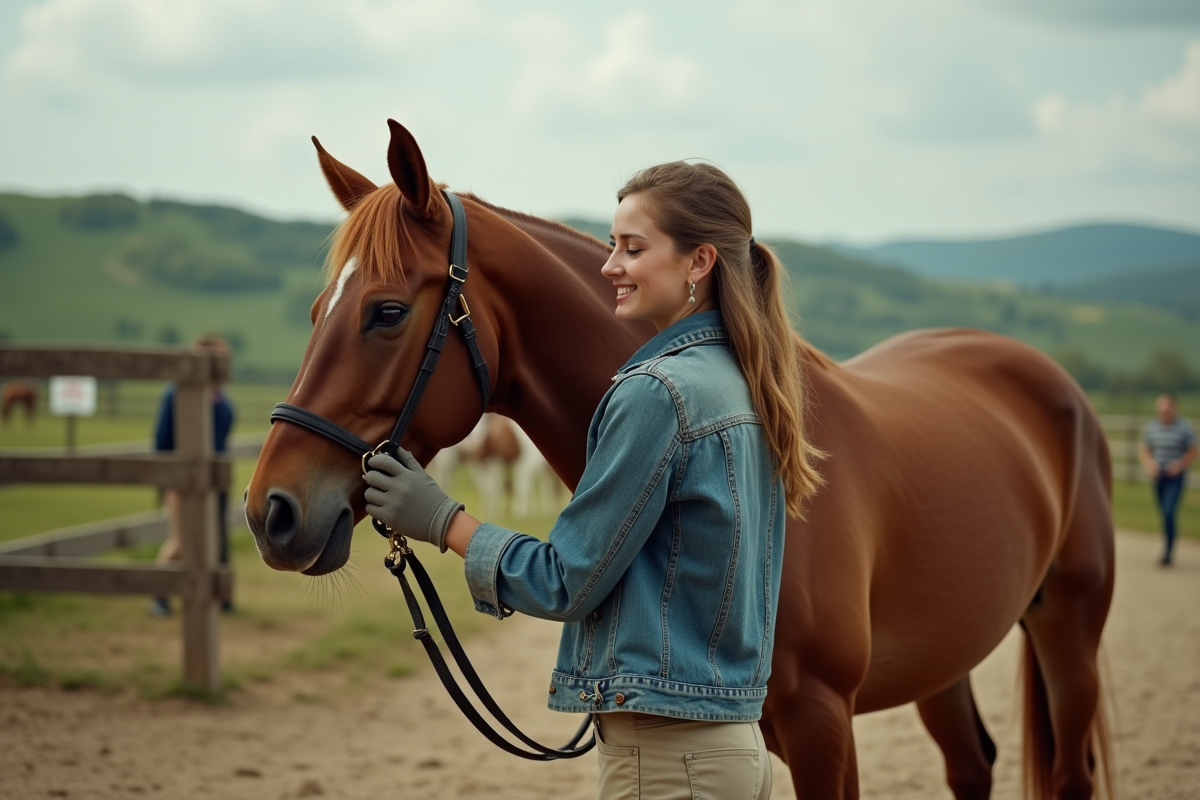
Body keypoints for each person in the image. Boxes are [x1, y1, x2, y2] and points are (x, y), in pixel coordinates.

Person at [363, 162, 824, 799]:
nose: (610, 265)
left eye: (633, 249)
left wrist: (442, 520)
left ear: (699, 263)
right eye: (612, 245)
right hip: (734, 750)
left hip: (665, 763)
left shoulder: (658, 392)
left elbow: (566, 579)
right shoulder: (743, 381)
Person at [149, 334, 236, 616]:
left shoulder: (220, 398)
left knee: (215, 539)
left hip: (215, 480)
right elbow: (163, 441)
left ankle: (218, 596)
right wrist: (168, 481)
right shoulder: (177, 394)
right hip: (183, 480)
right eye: (221, 359)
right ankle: (159, 595)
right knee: (183, 541)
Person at [1138, 393, 1197, 566]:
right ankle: (1168, 543)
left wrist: (1179, 465)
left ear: (1174, 408)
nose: (1164, 410)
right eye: (1161, 407)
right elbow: (1145, 449)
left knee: (1169, 511)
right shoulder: (1152, 427)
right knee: (1163, 512)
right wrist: (1150, 465)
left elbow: (1193, 450)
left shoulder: (1184, 427)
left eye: (1167, 407)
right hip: (1159, 476)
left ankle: (1168, 550)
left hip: (1175, 476)